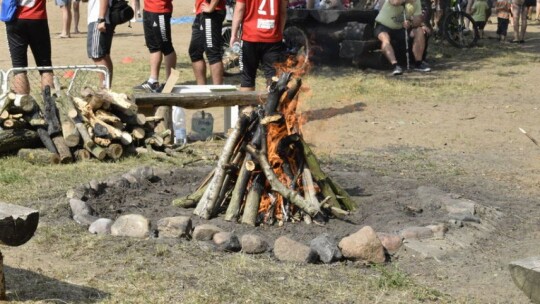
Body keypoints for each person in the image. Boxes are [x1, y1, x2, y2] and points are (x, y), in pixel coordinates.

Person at [230, 0, 288, 91]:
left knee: (247, 77)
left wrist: (234, 34)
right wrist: (279, 32)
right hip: (272, 37)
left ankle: (247, 105)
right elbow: (283, 12)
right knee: (272, 77)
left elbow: (239, 9)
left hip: (250, 36)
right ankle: (271, 105)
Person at [5, 0, 54, 94]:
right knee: (45, 66)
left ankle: (22, 105)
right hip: (38, 18)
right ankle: (50, 104)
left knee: (19, 68)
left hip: (15, 18)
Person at [374, 0, 431, 76]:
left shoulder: (417, 1)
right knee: (385, 38)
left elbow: (417, 20)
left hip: (400, 29)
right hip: (383, 26)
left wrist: (410, 23)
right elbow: (395, 2)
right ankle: (395, 65)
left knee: (419, 31)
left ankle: (418, 63)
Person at [134, 0, 177, 92]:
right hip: (148, 9)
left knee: (166, 47)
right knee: (153, 47)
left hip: (160, 10)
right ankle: (153, 81)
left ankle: (171, 83)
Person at [188, 0, 226, 85]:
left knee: (212, 53)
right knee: (195, 52)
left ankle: (218, 93)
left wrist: (211, 7)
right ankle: (202, 91)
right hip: (202, 12)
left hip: (212, 12)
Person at [87, 0, 115, 87]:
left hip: (98, 19)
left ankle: (104, 90)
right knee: (105, 56)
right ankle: (107, 89)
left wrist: (101, 18)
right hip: (105, 19)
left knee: (98, 56)